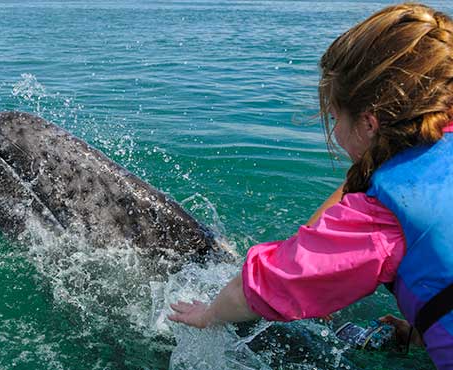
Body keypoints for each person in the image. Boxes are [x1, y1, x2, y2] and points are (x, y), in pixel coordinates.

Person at [167, 3, 453, 369]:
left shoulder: (385, 212)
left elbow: (276, 282)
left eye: (335, 118)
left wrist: (210, 314)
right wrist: (428, 322)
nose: (334, 131)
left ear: (369, 124)